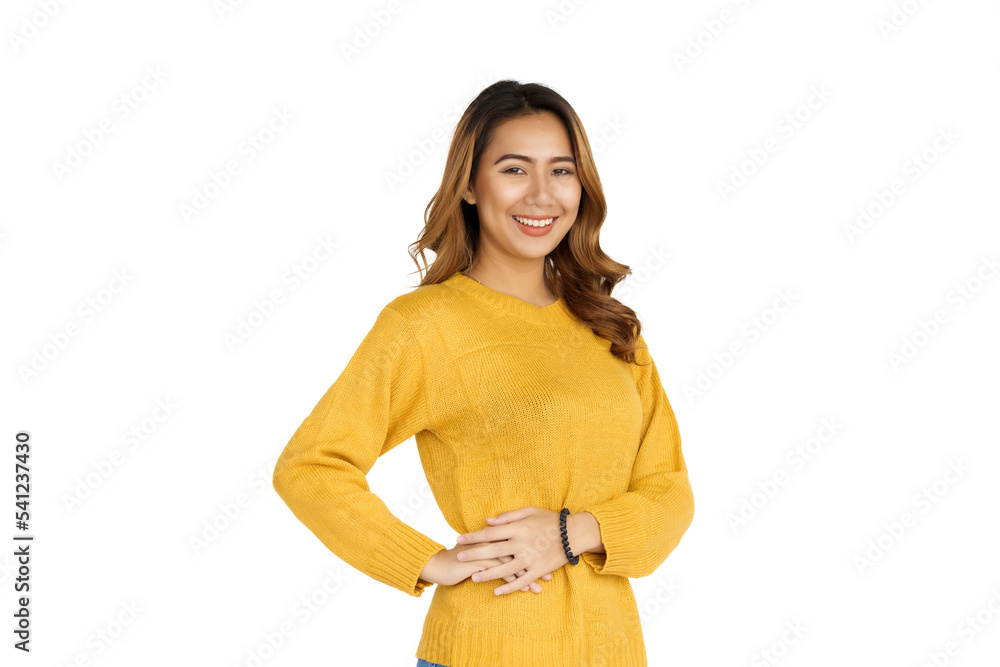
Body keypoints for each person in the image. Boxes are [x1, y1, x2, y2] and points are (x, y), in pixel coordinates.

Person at [272, 79, 695, 667]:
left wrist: (572, 533)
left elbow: (670, 493)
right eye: (514, 170)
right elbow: (311, 466)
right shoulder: (425, 325)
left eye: (562, 171)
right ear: (470, 185)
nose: (542, 195)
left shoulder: (611, 327)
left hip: (614, 650)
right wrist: (425, 561)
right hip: (483, 648)